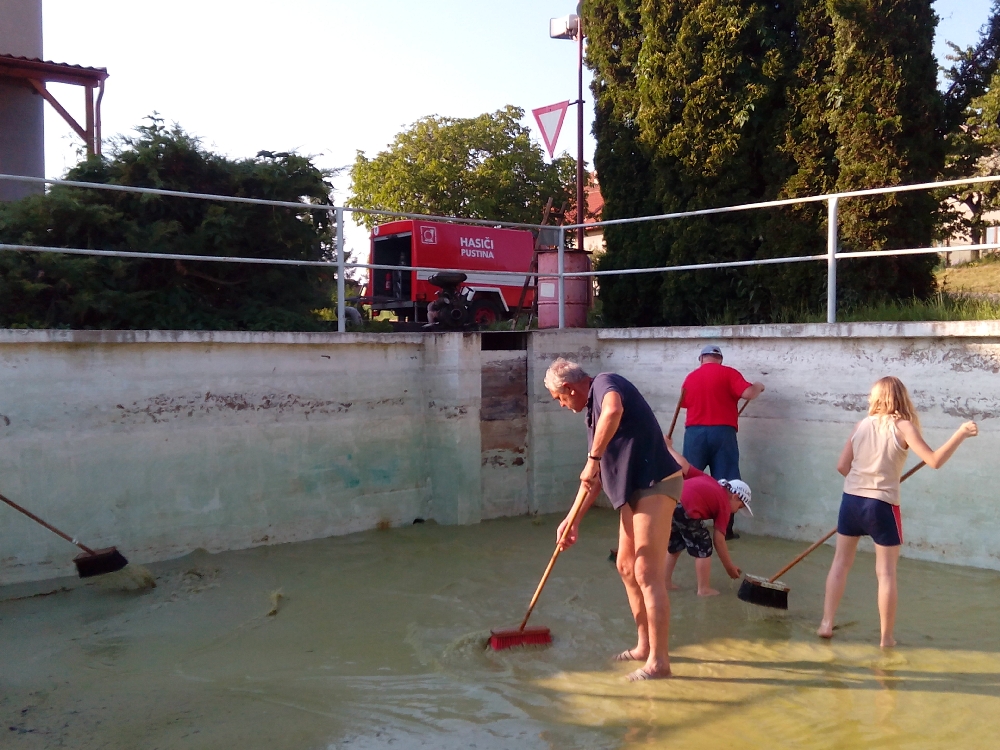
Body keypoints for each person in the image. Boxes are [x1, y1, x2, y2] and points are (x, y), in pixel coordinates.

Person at [545, 357, 682, 681]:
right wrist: (572, 521)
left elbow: (614, 411)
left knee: (647, 570)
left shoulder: (606, 383)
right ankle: (643, 646)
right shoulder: (592, 419)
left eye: (559, 399)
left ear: (569, 388)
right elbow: (592, 479)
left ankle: (660, 663)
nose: (563, 406)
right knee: (625, 565)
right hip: (631, 490)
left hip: (655, 481)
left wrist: (593, 458)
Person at [817, 376, 978, 648]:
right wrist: (960, 433)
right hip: (882, 505)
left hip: (851, 501)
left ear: (876, 398)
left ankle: (826, 624)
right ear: (901, 397)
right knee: (886, 573)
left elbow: (842, 466)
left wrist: (864, 479)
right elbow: (935, 461)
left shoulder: (861, 425)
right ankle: (886, 639)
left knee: (840, 564)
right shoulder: (903, 427)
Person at [680, 344, 764, 540]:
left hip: (695, 434)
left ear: (701, 359)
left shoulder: (690, 378)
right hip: (723, 433)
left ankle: (686, 526)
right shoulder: (729, 373)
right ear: (721, 359)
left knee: (689, 480)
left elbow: (683, 402)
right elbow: (748, 393)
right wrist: (758, 385)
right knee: (728, 483)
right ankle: (725, 531)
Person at [663, 437, 751, 596]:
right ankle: (703, 589)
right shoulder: (724, 504)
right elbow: (719, 540)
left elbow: (682, 465)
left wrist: (668, 447)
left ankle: (665, 582)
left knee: (675, 544)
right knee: (704, 544)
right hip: (687, 509)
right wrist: (729, 567)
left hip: (670, 501)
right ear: (736, 497)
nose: (736, 511)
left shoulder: (708, 480)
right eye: (740, 507)